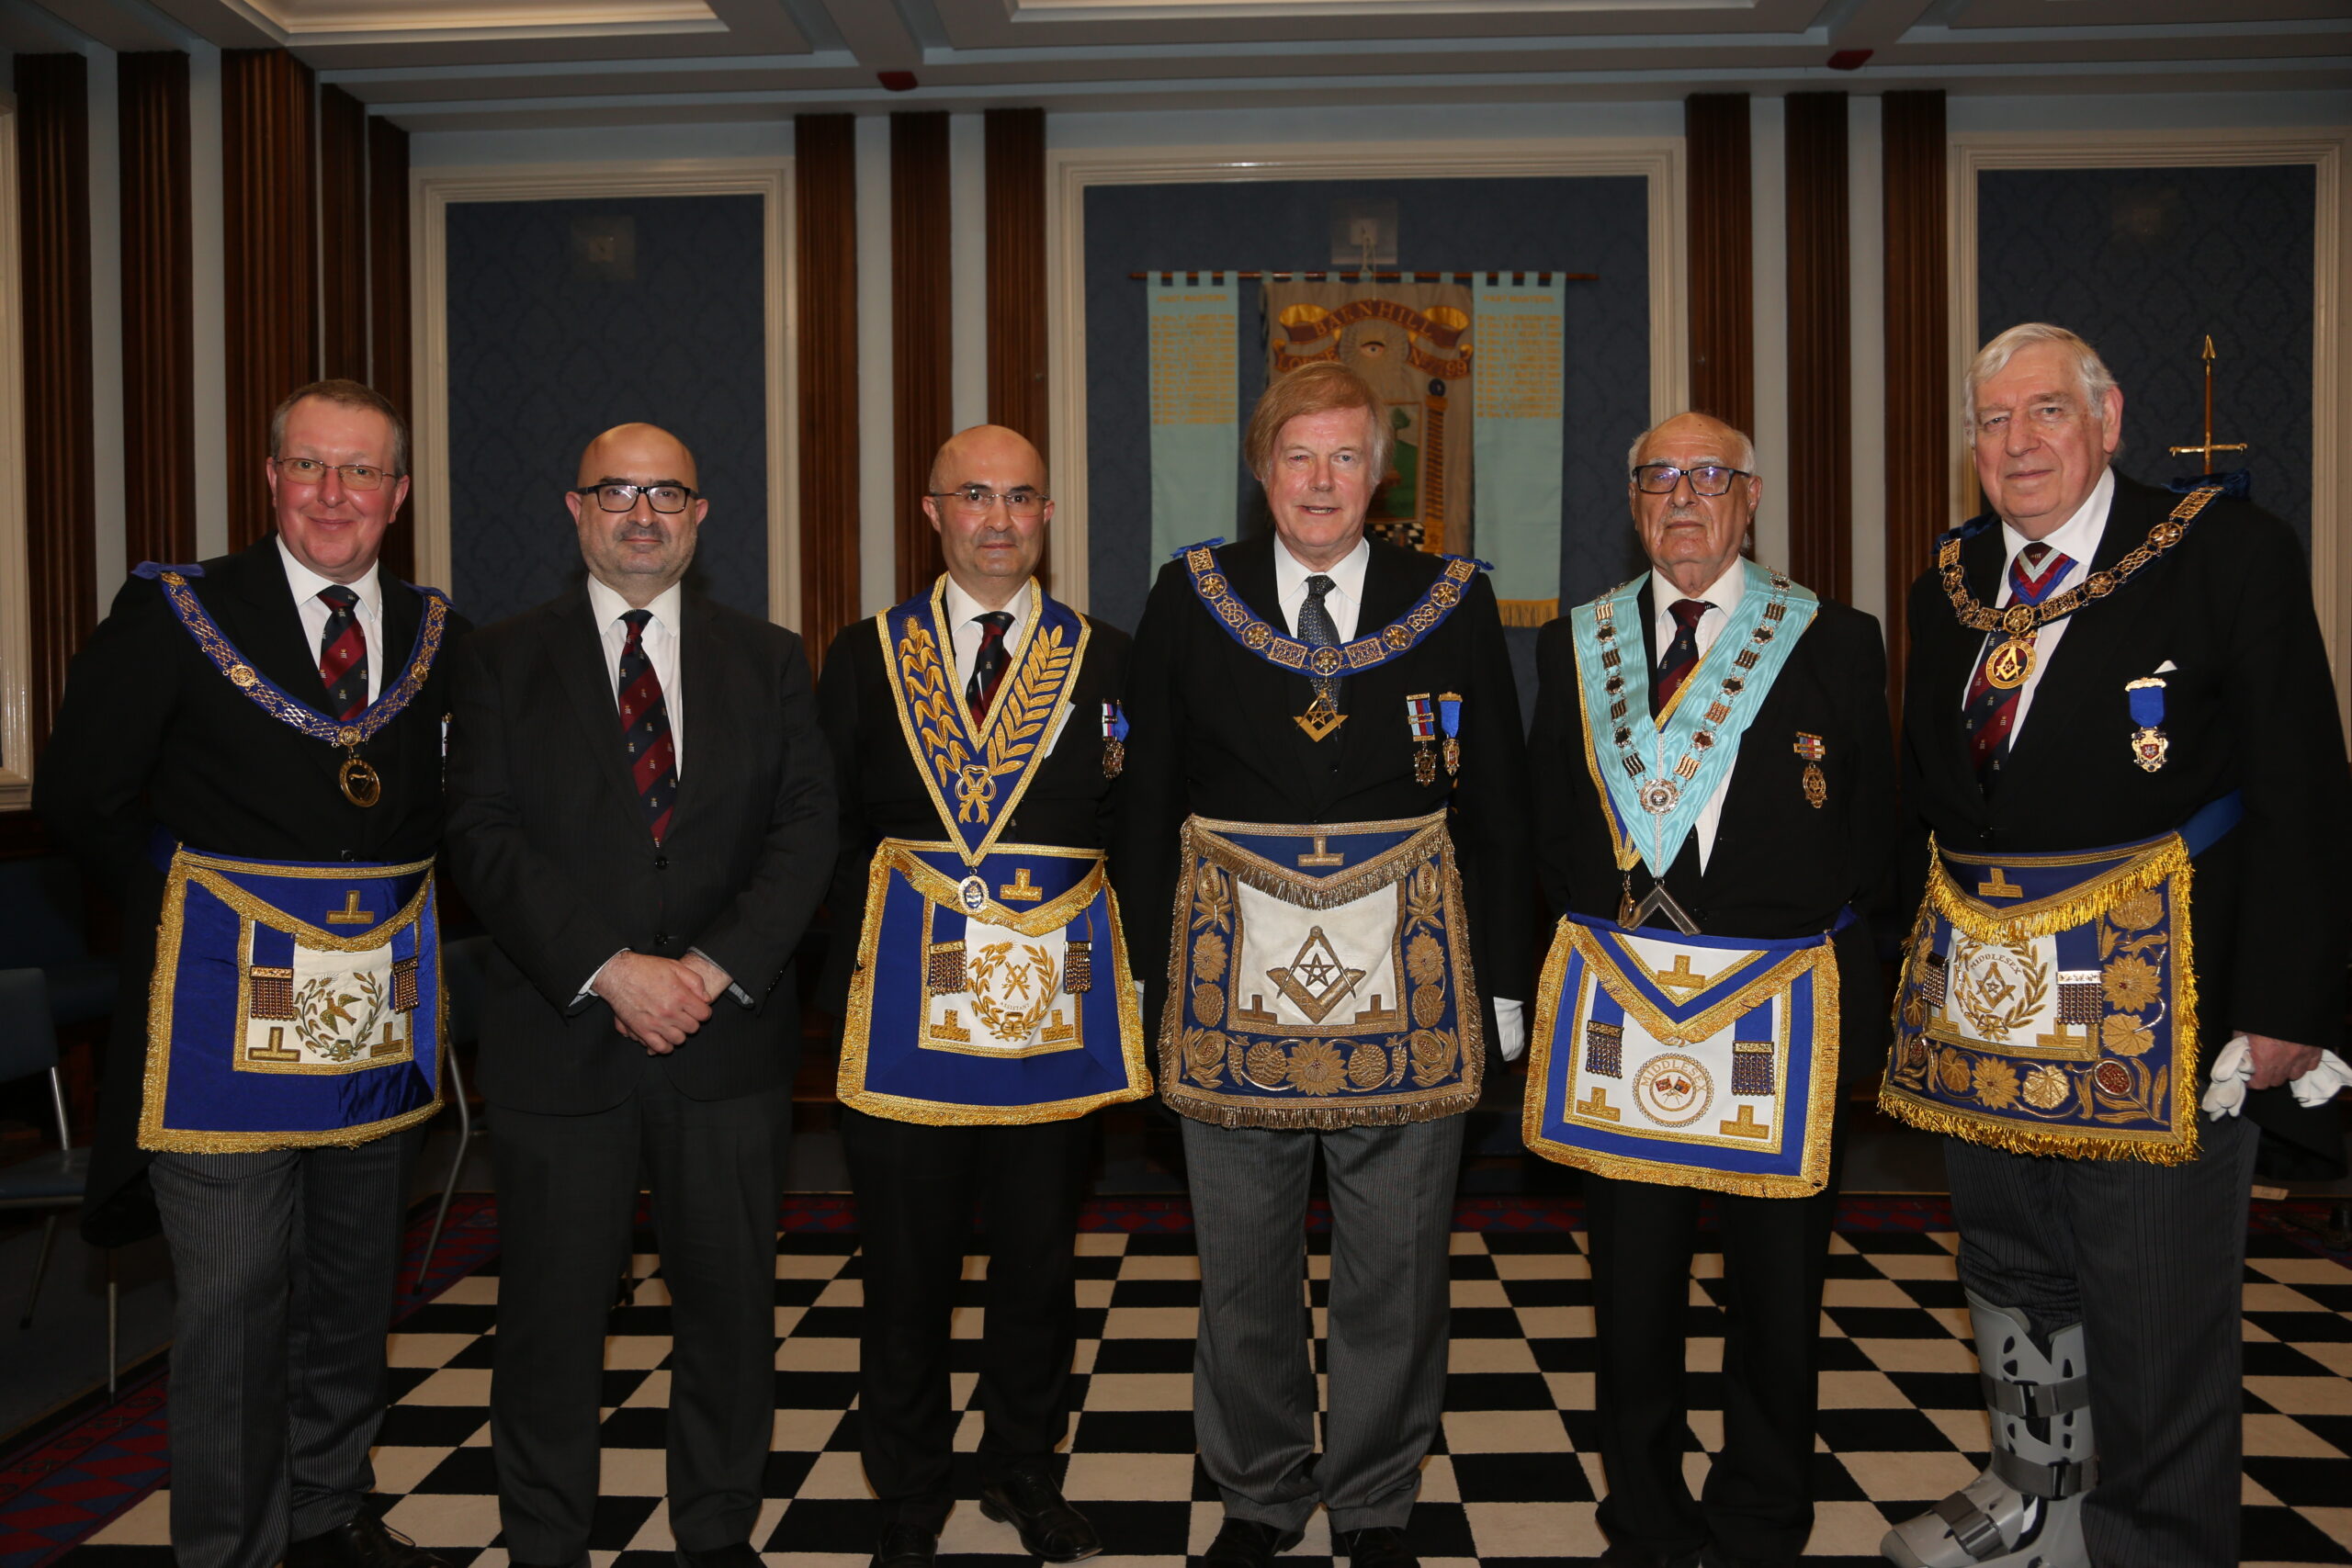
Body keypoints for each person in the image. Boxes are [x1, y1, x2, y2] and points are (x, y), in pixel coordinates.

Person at [1878, 323, 2350, 1568]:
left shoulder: (2225, 553)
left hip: (2167, 1012)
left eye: (2045, 412)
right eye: (1994, 421)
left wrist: (2288, 1001)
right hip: (1990, 1005)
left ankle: (2158, 1541)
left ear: (2108, 417)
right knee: (2015, 1269)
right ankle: (2042, 1501)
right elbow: (1935, 799)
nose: (2019, 442)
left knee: (2155, 1308)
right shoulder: (1955, 580)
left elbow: (2305, 787)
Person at [1112, 361, 1534, 1568]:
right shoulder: (1192, 595)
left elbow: (1498, 804)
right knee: (1241, 1261)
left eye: (1346, 456)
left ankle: (1375, 1500)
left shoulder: (1451, 598)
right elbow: (1146, 803)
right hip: (1222, 984)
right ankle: (1256, 1492)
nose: (1321, 481)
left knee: (1394, 1266)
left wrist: (1504, 986)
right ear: (1260, 468)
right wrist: (1143, 978)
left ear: (1381, 472)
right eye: (1299, 455)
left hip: (1411, 982)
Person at [39, 380, 459, 1568]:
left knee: (347, 1291)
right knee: (228, 1308)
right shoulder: (178, 611)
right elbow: (84, 798)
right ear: (269, 476)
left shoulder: (439, 635)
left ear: (399, 493)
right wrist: (208, 923)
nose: (336, 493)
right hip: (221, 1025)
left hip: (372, 1022)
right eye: (310, 466)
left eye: (362, 471)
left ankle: (326, 1513)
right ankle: (229, 1548)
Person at [443, 423, 834, 1568]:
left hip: (726, 1046)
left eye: (668, 492)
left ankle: (716, 1535)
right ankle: (546, 1543)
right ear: (575, 509)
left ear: (702, 517)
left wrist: (707, 971)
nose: (643, 512)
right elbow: (480, 835)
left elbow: (808, 829)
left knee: (728, 1319)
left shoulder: (767, 658)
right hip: (560, 1045)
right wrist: (612, 971)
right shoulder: (501, 658)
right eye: (617, 491)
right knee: (550, 1326)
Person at [1521, 413, 1896, 1568]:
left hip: (1779, 1007)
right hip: (1624, 1001)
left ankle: (1762, 1515)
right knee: (1631, 1289)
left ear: (1751, 497)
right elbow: (1545, 827)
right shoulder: (1574, 642)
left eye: (1708, 478)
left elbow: (1877, 842)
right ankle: (1642, 1513)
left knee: (1777, 1293)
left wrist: (1866, 1021)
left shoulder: (1834, 638)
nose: (1682, 499)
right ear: (1633, 500)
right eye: (1658, 479)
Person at [816, 424, 1150, 1568]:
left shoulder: (1107, 659)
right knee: (904, 1265)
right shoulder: (864, 657)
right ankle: (908, 1484)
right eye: (974, 496)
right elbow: (829, 838)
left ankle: (1020, 1467)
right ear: (932, 512)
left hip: (1053, 1016)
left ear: (1049, 515)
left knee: (1038, 1263)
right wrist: (842, 994)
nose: (998, 519)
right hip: (906, 1009)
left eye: (1021, 498)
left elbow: (1132, 833)